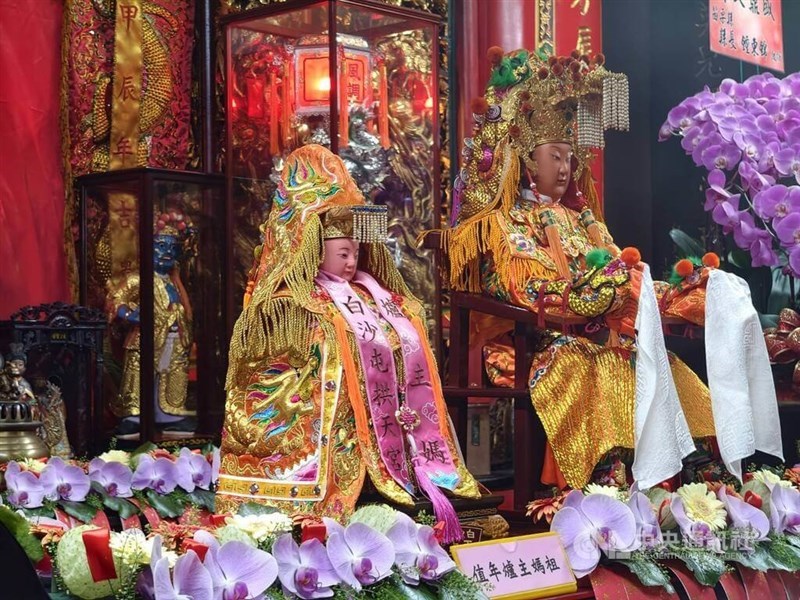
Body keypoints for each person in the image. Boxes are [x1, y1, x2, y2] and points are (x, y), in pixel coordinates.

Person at [440, 48, 781, 489]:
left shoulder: (585, 222)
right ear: (526, 162)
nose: (565, 167)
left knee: (658, 361)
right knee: (592, 363)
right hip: (536, 342)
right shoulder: (508, 222)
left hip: (600, 334)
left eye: (569, 157)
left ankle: (692, 468)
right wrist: (594, 294)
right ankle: (604, 477)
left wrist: (686, 290)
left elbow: (625, 274)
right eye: (554, 156)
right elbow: (519, 288)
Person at [218, 145, 479, 540]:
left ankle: (414, 468)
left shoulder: (374, 291)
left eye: (356, 252)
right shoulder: (292, 302)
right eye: (343, 253)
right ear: (314, 250)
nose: (352, 262)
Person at [107, 209, 195, 433]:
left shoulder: (174, 281)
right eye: (161, 246)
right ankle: (134, 415)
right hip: (144, 338)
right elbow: (116, 299)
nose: (166, 252)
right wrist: (131, 315)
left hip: (173, 336)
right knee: (139, 373)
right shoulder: (138, 279)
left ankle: (169, 413)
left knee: (172, 372)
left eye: (171, 248)